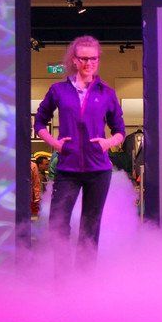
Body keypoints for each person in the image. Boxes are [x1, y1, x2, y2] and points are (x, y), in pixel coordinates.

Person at [35, 36, 125, 261]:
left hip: (99, 171)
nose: (89, 63)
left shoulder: (107, 93)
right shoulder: (58, 90)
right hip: (67, 170)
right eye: (83, 58)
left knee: (90, 228)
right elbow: (39, 122)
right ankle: (62, 277)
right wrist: (54, 143)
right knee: (58, 224)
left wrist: (107, 143)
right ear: (74, 60)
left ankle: (84, 278)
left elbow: (120, 131)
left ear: (98, 60)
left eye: (93, 59)